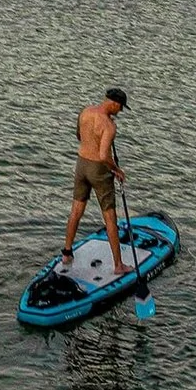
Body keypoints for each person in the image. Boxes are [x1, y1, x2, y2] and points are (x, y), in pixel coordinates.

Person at [62, 88, 133, 277]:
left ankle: (67, 254)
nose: (120, 112)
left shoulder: (85, 112)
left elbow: (79, 136)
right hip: (99, 171)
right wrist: (116, 170)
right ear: (114, 103)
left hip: (81, 165)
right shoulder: (109, 126)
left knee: (76, 210)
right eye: (120, 107)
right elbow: (103, 155)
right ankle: (118, 265)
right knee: (110, 218)